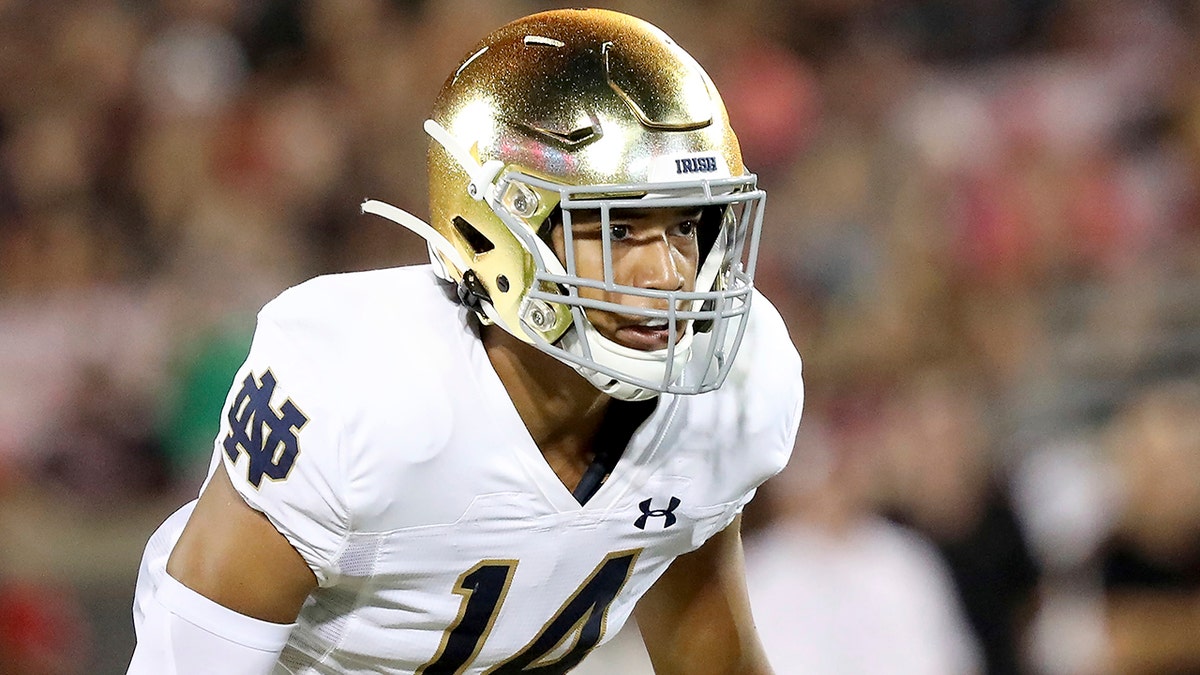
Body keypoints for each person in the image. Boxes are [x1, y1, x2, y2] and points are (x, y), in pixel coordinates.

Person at [127, 8, 803, 675]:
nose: (666, 274)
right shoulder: (354, 386)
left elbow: (704, 639)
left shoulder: (737, 383)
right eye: (618, 230)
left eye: (687, 226)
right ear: (494, 228)